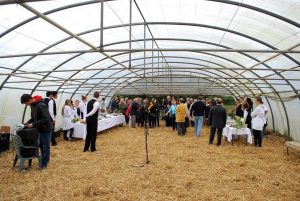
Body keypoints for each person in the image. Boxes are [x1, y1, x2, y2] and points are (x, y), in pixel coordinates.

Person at [21, 94, 53, 168]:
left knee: (45, 146)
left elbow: (46, 119)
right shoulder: (33, 105)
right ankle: (43, 160)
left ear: (29, 100)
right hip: (40, 128)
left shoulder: (41, 105)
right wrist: (28, 122)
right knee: (41, 145)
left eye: (26, 103)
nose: (26, 105)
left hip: (46, 129)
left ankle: (44, 163)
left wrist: (33, 124)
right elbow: (34, 117)